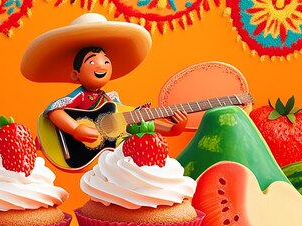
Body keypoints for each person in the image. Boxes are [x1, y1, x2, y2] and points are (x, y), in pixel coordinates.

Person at [21, 13, 188, 144]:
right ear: (75, 74)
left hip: (109, 154)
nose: (102, 66)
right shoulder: (81, 95)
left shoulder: (112, 100)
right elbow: (53, 111)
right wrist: (75, 129)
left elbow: (130, 122)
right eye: (92, 61)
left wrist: (174, 129)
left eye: (106, 61)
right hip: (79, 150)